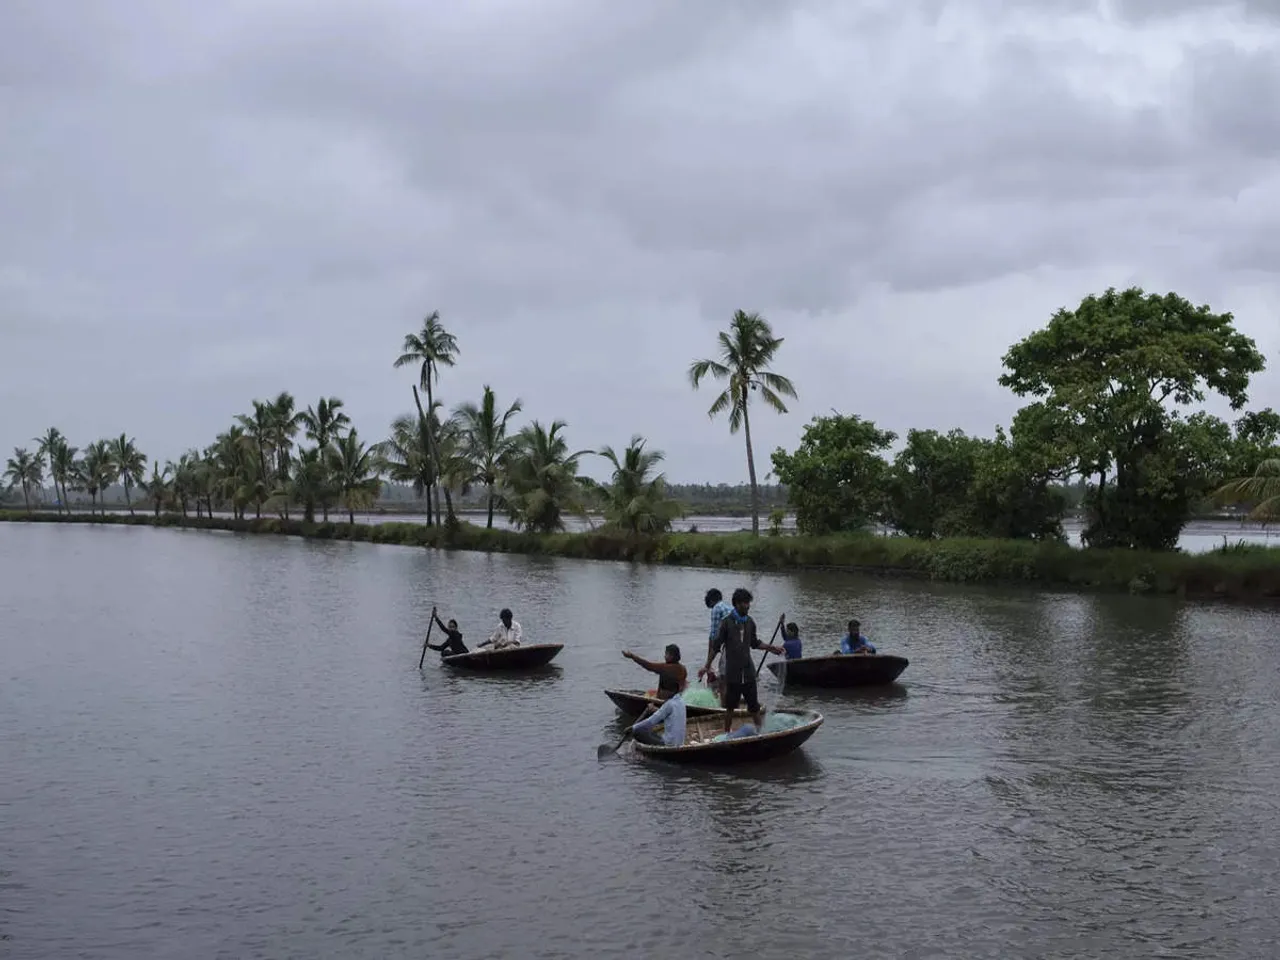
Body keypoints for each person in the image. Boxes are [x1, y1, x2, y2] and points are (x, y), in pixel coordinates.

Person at [698, 587, 785, 734]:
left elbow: (755, 643)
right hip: (733, 673)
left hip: (749, 672)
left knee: (754, 707)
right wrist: (706, 666)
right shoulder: (726, 623)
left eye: (748, 603)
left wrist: (772, 648)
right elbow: (716, 647)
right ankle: (726, 734)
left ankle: (760, 733)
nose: (747, 606)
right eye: (744, 603)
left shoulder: (750, 622)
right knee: (730, 707)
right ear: (736, 604)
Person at [623, 645, 687, 707]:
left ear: (672, 656)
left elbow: (648, 665)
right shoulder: (683, 668)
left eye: (666, 654)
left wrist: (632, 656)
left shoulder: (666, 668)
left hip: (665, 701)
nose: (664, 656)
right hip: (676, 699)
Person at [703, 587, 733, 694]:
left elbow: (714, 637)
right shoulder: (729, 607)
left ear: (711, 601)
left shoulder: (716, 608)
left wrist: (708, 664)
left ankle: (724, 700)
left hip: (730, 645)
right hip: (739, 645)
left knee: (723, 677)